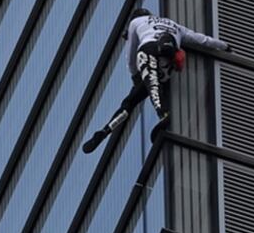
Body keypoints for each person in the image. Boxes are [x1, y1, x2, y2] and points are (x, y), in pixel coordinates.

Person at [83, 9, 233, 154]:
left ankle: (160, 115)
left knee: (138, 95)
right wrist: (224, 46)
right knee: (153, 84)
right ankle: (105, 131)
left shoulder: (136, 22)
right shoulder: (174, 24)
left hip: (148, 51)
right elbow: (201, 39)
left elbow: (130, 54)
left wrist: (135, 75)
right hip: (167, 59)